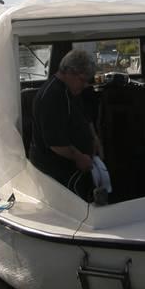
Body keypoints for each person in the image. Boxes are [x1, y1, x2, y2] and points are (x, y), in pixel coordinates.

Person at [29, 49, 103, 200]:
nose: (84, 85)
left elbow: (84, 117)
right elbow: (56, 143)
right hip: (57, 169)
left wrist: (94, 138)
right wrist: (79, 158)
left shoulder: (72, 91)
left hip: (78, 163)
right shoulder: (52, 96)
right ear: (69, 72)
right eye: (82, 80)